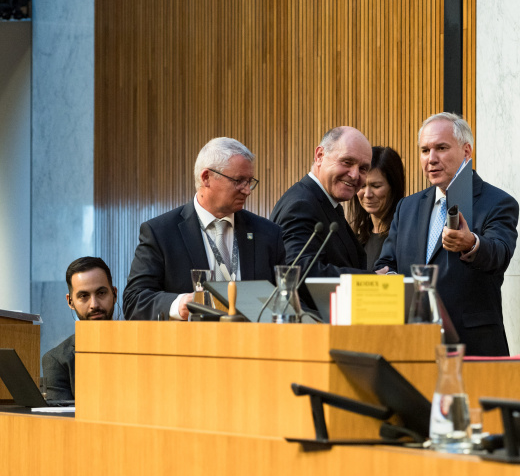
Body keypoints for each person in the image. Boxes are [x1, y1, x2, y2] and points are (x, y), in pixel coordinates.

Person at [376, 113, 519, 356]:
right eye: (424, 150)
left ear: (466, 151)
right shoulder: (406, 207)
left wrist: (471, 243)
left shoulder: (498, 202)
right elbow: (386, 263)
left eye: (441, 148)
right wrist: (391, 279)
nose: (431, 159)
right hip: (415, 345)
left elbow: (499, 253)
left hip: (473, 347)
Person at [123, 137, 286, 320]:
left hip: (252, 344)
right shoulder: (160, 233)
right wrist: (180, 304)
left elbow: (287, 301)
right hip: (190, 345)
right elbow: (134, 300)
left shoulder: (268, 234)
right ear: (206, 177)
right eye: (239, 181)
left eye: (249, 181)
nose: (247, 190)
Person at [271, 126, 374, 278]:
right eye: (347, 162)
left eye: (363, 168)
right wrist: (372, 281)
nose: (354, 175)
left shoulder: (325, 202)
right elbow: (299, 272)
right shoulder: (301, 205)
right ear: (320, 156)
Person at [42, 257, 117, 400]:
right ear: (70, 301)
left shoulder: (143, 347)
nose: (94, 304)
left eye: (101, 293)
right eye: (83, 296)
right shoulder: (57, 360)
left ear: (114, 294)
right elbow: (61, 421)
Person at [348, 146, 405, 269]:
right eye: (362, 186)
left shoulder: (404, 237)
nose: (367, 194)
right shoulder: (357, 239)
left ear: (394, 187)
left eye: (376, 186)